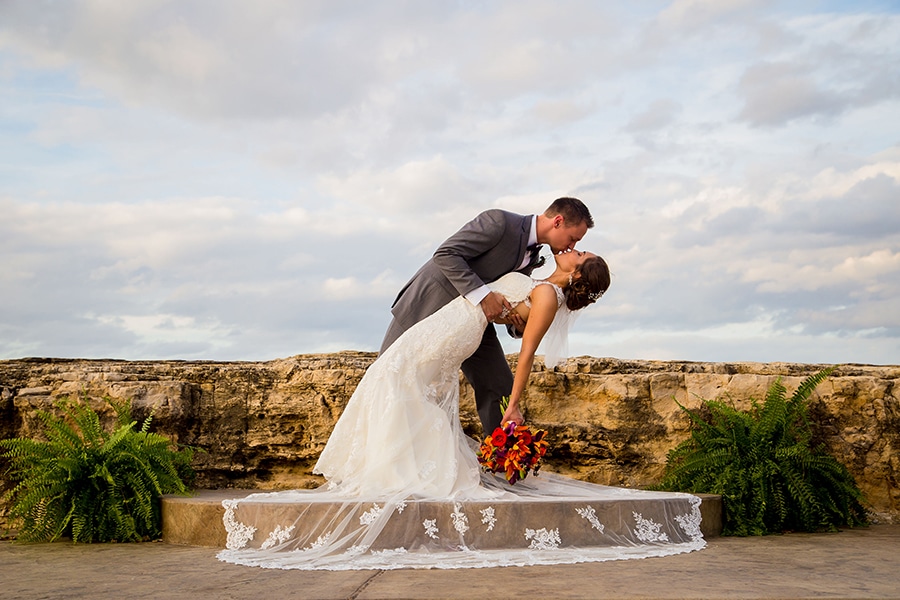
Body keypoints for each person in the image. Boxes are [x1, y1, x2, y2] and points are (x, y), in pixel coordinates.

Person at [217, 248, 706, 571]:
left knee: (398, 378)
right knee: (397, 378)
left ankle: (408, 469)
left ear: (577, 273)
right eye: (579, 244)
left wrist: (514, 406)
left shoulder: (549, 297)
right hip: (456, 319)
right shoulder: (541, 278)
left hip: (461, 329)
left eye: (582, 253)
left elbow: (527, 352)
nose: (574, 249)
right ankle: (400, 465)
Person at [380, 197, 594, 436]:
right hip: (428, 307)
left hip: (473, 323)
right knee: (387, 379)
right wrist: (483, 296)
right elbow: (446, 254)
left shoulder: (533, 255)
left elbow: (511, 297)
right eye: (573, 238)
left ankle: (501, 462)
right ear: (558, 221)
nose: (571, 246)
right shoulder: (500, 222)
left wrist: (519, 323)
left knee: (499, 386)